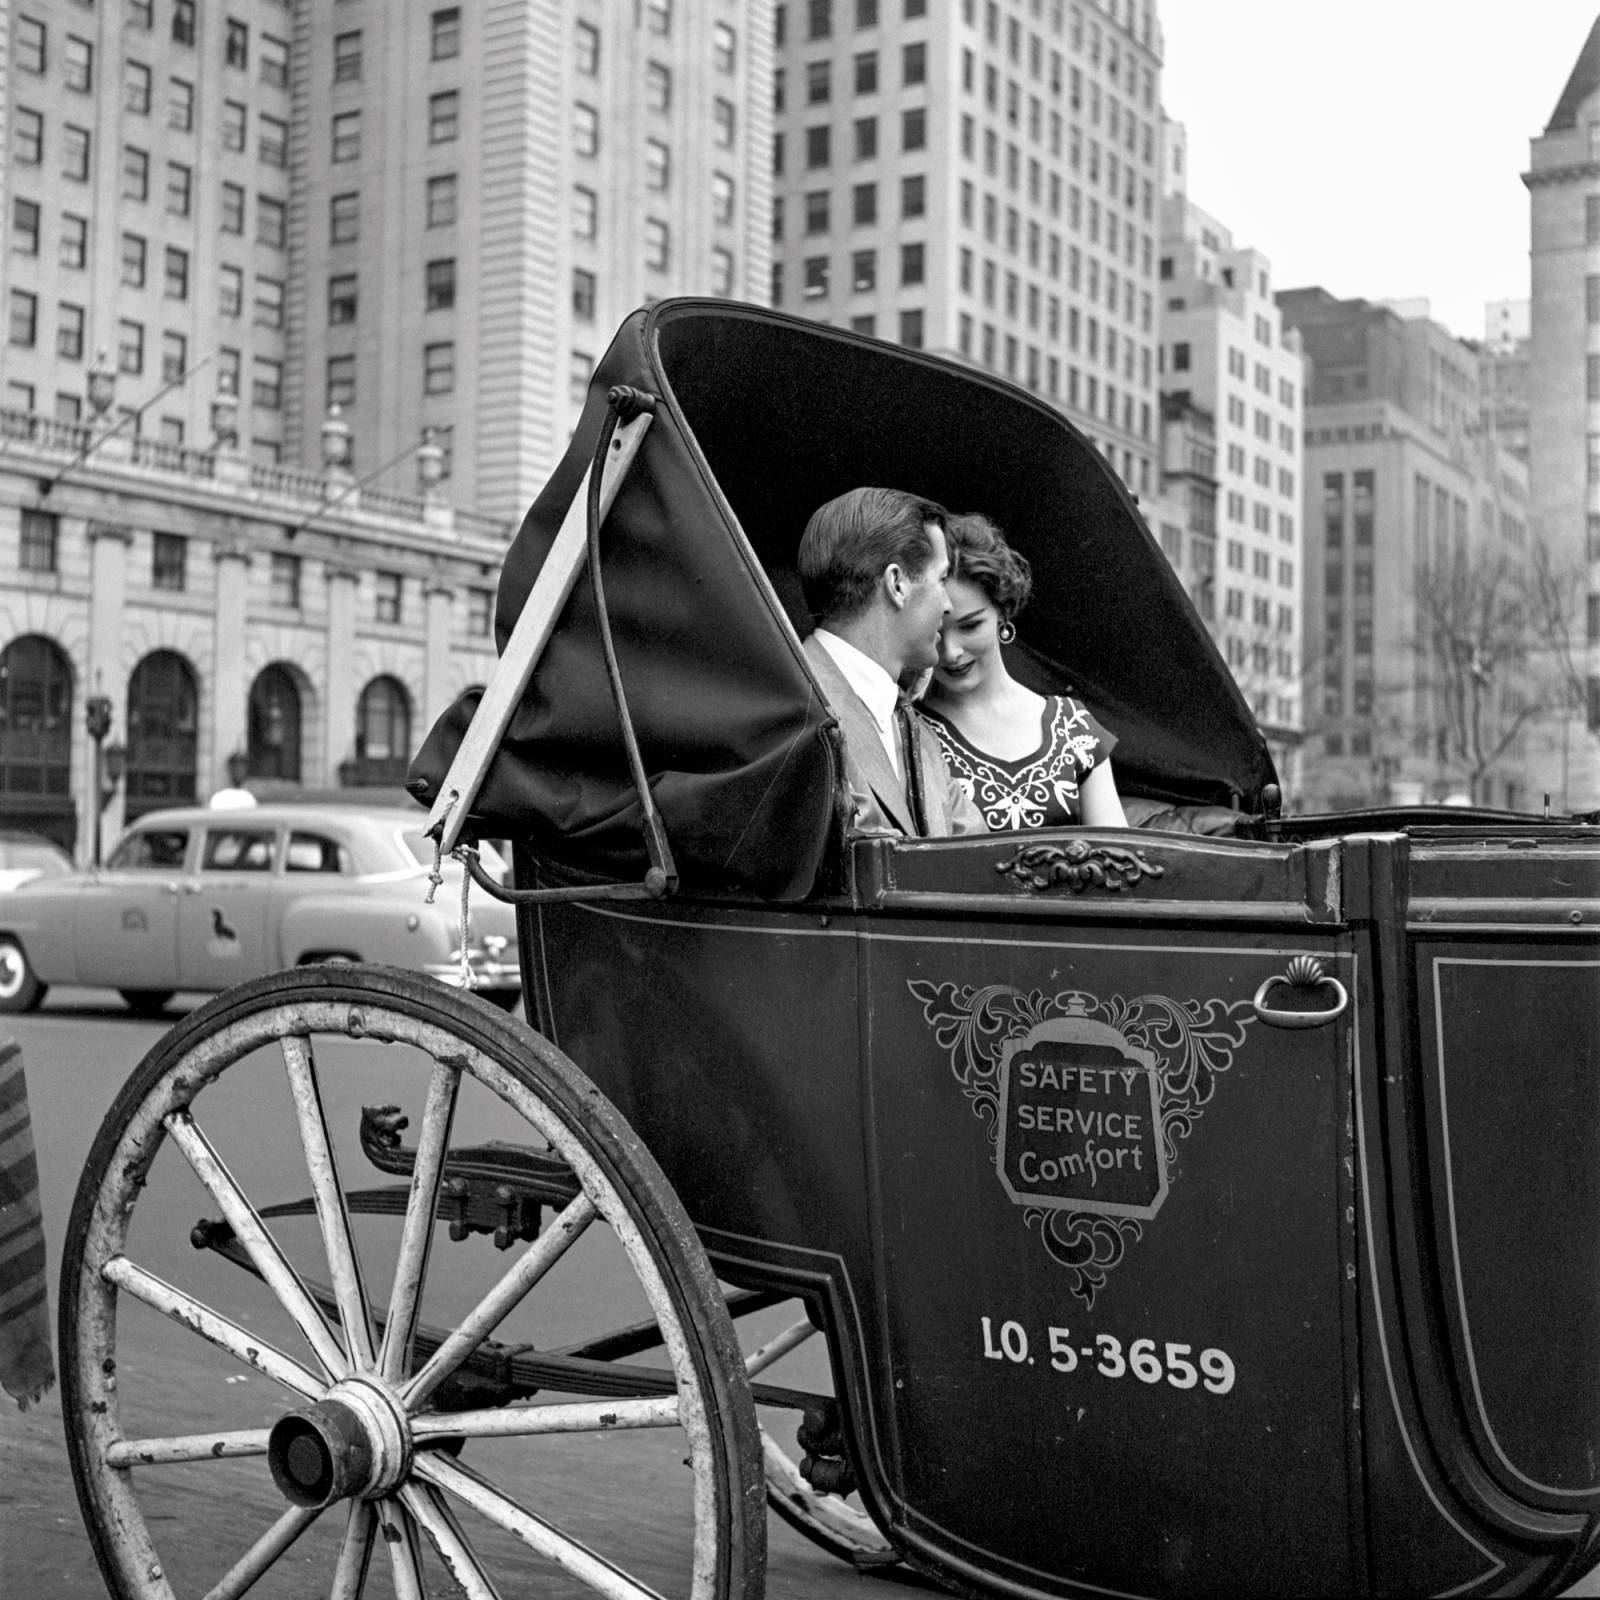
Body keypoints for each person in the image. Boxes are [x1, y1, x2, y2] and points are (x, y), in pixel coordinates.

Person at [918, 512, 1128, 831]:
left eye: (970, 625)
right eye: (936, 629)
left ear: (1002, 611)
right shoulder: (911, 731)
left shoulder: (1075, 729)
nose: (951, 652)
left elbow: (1119, 861)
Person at [798, 487, 986, 838]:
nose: (947, 606)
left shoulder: (919, 734)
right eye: (941, 580)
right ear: (897, 584)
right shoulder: (795, 708)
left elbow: (982, 858)